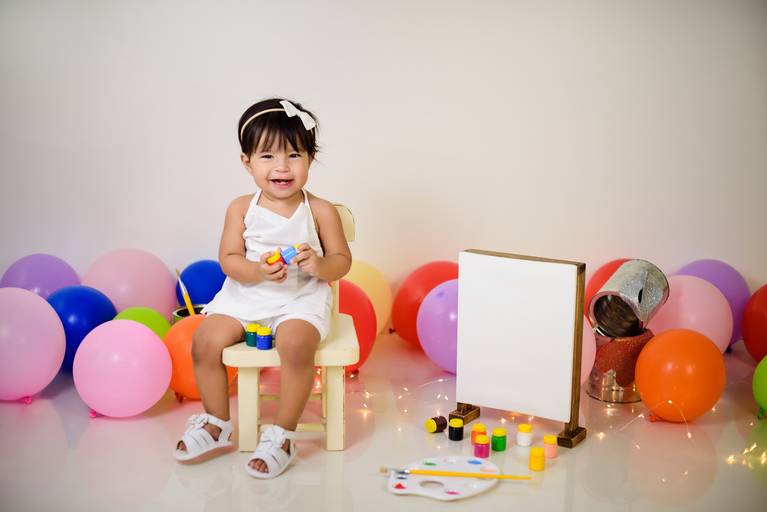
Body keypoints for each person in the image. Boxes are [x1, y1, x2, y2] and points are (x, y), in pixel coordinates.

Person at [173, 98, 352, 479]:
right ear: (247, 162)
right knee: (204, 341)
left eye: (294, 155)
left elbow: (342, 260)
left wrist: (319, 265)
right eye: (268, 156)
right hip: (247, 294)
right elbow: (229, 259)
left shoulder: (320, 211)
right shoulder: (241, 207)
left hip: (300, 298)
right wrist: (256, 271)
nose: (282, 167)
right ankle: (217, 423)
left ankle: (283, 434)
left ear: (311, 158)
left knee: (296, 345)